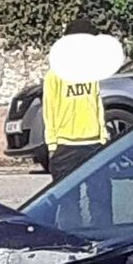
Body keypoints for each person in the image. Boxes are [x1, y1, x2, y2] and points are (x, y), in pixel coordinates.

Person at [42, 18, 109, 182]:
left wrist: (103, 137)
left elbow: (97, 105)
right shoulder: (54, 74)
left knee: (100, 198)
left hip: (94, 143)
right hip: (66, 145)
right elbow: (49, 111)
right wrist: (52, 145)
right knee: (68, 202)